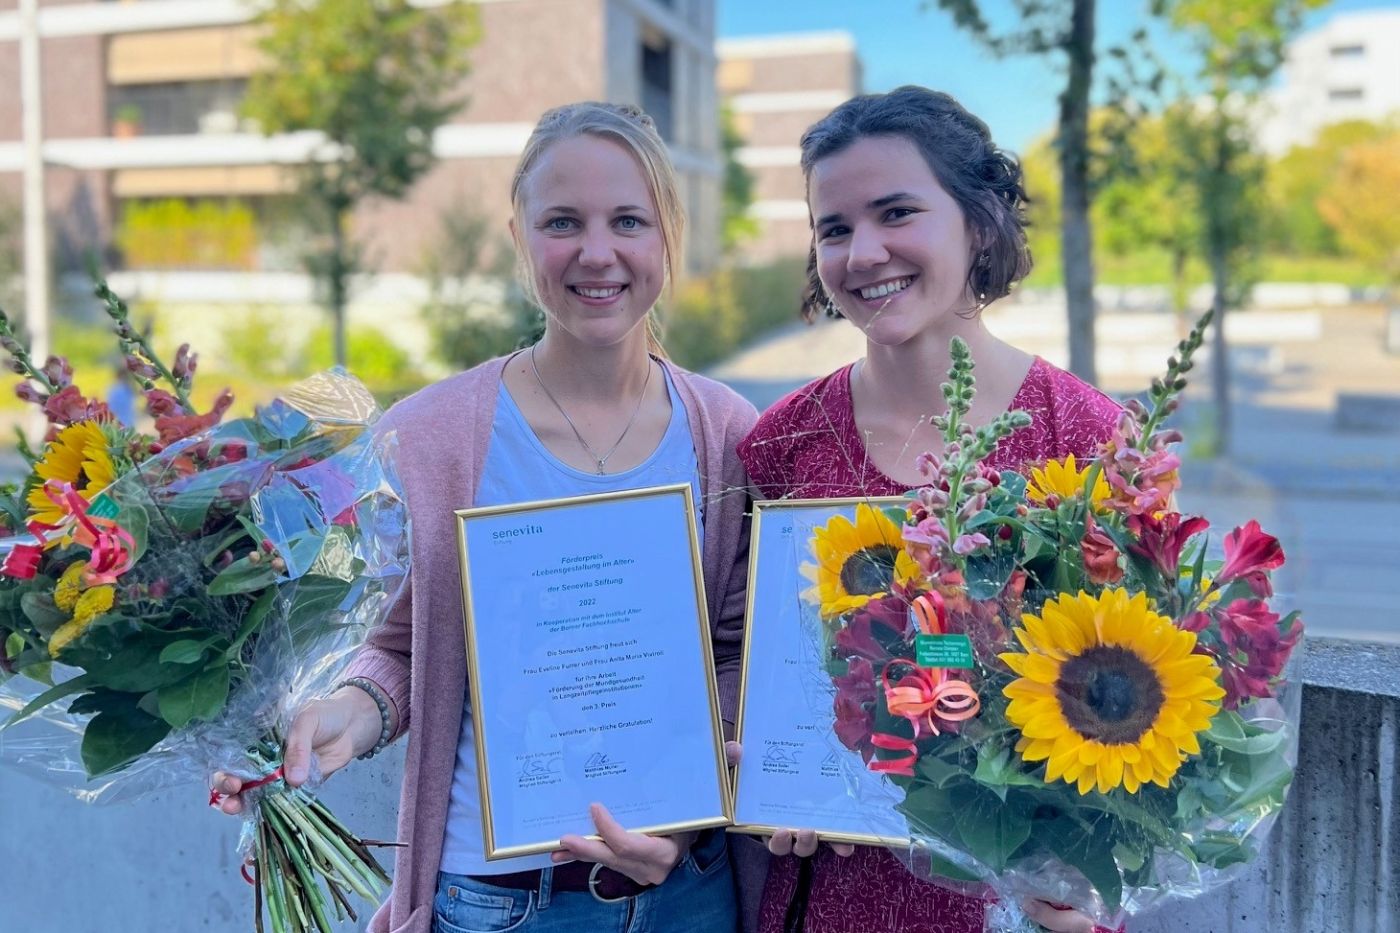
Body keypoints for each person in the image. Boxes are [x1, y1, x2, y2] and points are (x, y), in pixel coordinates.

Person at [216, 101, 755, 933]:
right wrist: (344, 718)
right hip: (499, 902)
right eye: (562, 222)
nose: (597, 252)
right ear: (517, 236)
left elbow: (736, 654)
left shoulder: (726, 434)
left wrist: (684, 815)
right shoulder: (428, 439)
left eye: (628, 221)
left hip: (689, 893)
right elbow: (397, 643)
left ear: (668, 236)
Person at [736, 86, 1124, 933]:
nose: (863, 252)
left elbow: (1138, 695)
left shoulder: (1090, 440)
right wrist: (760, 764)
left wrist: (1080, 887)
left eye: (897, 212)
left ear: (978, 223)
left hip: (1024, 911)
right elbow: (759, 663)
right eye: (834, 228)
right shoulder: (780, 446)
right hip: (829, 895)